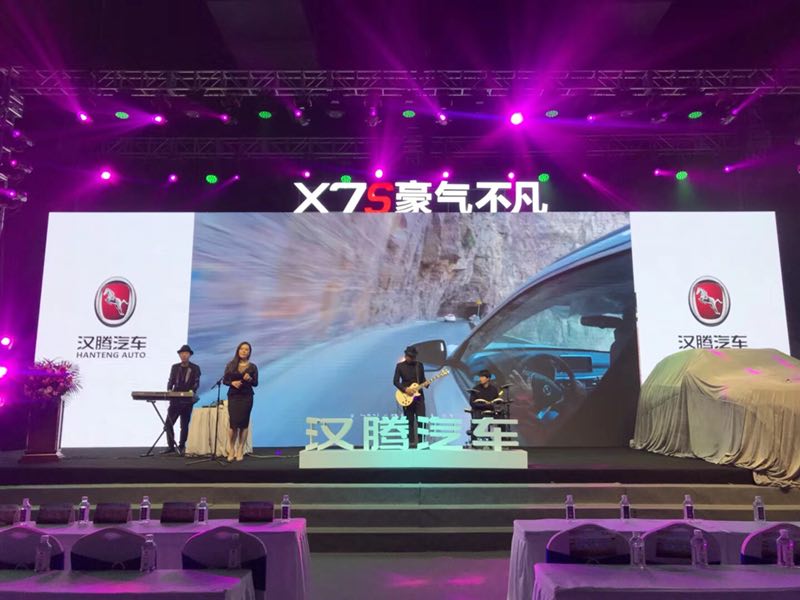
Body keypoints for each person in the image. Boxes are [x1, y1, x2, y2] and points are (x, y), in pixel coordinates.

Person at [223, 341, 258, 462]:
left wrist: (250, 379)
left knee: (244, 424)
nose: (244, 351)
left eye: (246, 349)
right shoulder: (231, 365)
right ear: (238, 350)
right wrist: (232, 383)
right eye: (242, 349)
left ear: (249, 352)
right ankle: (231, 449)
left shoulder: (253, 367)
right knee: (233, 424)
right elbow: (225, 381)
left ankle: (240, 449)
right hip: (234, 396)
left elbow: (256, 383)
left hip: (246, 397)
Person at [163, 344, 201, 456]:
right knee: (168, 424)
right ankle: (171, 447)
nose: (184, 355)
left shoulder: (195, 368)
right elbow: (171, 380)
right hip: (175, 399)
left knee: (184, 425)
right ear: (179, 355)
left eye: (186, 353)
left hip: (187, 400)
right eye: (182, 353)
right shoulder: (175, 367)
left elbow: (196, 382)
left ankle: (181, 446)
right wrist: (169, 390)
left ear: (189, 355)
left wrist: (191, 391)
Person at [392, 346, 427, 448]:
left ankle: (421, 442)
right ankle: (410, 442)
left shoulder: (419, 365)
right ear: (406, 355)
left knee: (421, 419)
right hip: (406, 397)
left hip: (418, 397)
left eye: (413, 357)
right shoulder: (400, 366)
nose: (411, 359)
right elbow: (395, 381)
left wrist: (426, 383)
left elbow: (422, 379)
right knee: (409, 420)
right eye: (409, 356)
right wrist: (405, 389)